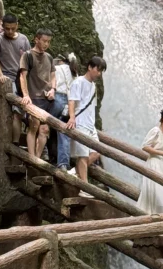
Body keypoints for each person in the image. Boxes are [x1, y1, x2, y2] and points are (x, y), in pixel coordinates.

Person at [65, 55, 106, 190]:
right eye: (98, 70)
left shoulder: (93, 86)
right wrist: (72, 117)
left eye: (101, 71)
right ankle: (85, 188)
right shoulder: (78, 82)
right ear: (90, 67)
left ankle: (75, 171)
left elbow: (92, 107)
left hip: (90, 125)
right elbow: (72, 101)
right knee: (82, 155)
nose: (99, 74)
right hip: (80, 123)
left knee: (97, 151)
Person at [21, 28, 57, 161]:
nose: (46, 44)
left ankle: (37, 158)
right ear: (36, 39)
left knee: (45, 130)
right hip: (33, 98)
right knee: (34, 126)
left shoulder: (49, 57)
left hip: (46, 99)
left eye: (49, 41)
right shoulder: (27, 55)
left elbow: (53, 76)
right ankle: (31, 157)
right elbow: (22, 76)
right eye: (44, 41)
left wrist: (53, 89)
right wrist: (26, 95)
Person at [52, 55, 74, 170]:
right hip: (69, 102)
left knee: (44, 125)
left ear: (61, 60)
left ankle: (43, 154)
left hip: (57, 98)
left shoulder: (56, 68)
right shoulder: (74, 71)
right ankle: (63, 164)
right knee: (63, 132)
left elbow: (51, 82)